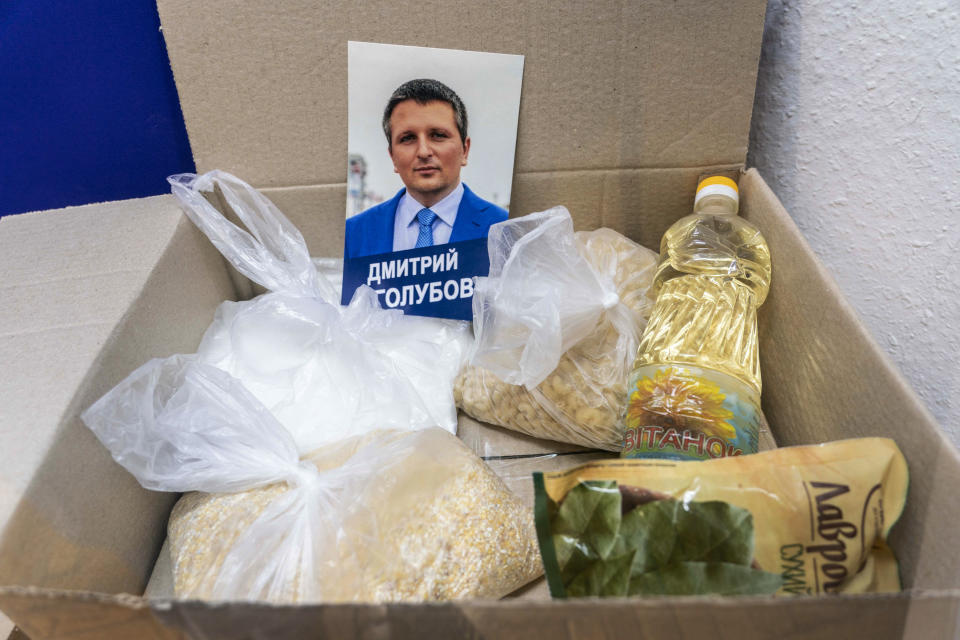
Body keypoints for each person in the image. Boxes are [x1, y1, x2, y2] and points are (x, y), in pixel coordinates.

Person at [344, 79, 508, 259]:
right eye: (407, 138)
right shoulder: (353, 235)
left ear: (465, 150)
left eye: (438, 135)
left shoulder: (504, 230)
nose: (423, 151)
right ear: (392, 157)